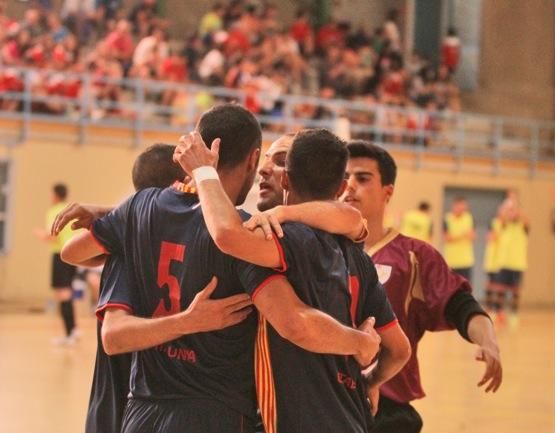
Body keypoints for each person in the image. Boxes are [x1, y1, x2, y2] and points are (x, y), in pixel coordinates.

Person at [59, 105, 381, 433]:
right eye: (267, 159)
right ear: (252, 159)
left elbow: (72, 252)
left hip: (141, 409)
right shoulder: (245, 237)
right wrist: (360, 343)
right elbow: (294, 321)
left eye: (281, 160)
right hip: (216, 411)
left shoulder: (139, 213)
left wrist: (118, 216)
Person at [173, 128, 411, 433]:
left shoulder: (279, 237)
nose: (266, 168)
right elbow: (399, 350)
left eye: (280, 160)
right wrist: (367, 380)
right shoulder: (360, 258)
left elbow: (227, 235)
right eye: (266, 158)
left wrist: (203, 172)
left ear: (287, 179)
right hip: (353, 419)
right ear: (340, 188)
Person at [342, 141, 502, 433]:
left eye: (362, 178)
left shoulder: (414, 256)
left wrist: (488, 340)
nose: (349, 186)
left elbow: (460, 305)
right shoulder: (318, 248)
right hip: (328, 403)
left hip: (387, 412)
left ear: (387, 192)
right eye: (343, 177)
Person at [85, 143, 186, 433]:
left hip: (146, 407)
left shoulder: (172, 239)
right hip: (124, 406)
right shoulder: (129, 248)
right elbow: (115, 336)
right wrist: (191, 321)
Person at [34, 183, 78, 345]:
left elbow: (53, 236)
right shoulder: (70, 209)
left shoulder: (54, 211)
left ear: (55, 195)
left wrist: (40, 235)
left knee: (62, 293)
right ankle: (73, 329)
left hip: (60, 255)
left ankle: (69, 334)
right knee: (67, 292)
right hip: (72, 255)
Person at [493, 199, 529, 325]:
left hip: (518, 264)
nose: (512, 213)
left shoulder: (523, 226)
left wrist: (516, 208)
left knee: (515, 291)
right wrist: (508, 206)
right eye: (510, 212)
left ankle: (514, 313)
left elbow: (526, 219)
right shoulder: (504, 224)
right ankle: (499, 312)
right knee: (500, 289)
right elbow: (502, 216)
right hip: (504, 263)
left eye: (514, 211)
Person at [443, 196, 476, 280]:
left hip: (466, 261)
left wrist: (455, 236)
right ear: (454, 206)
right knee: (451, 288)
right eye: (460, 206)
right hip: (451, 261)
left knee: (466, 287)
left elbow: (472, 236)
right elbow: (447, 238)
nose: (462, 209)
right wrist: (463, 235)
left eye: (464, 207)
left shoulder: (469, 218)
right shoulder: (447, 218)